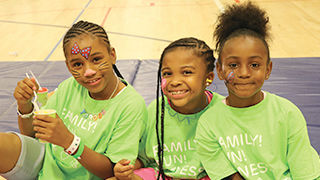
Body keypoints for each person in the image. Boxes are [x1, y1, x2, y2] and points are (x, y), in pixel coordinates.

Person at [0, 20, 147, 180]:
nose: (88, 71)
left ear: (112, 55)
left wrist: (70, 142)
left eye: (96, 59)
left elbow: (112, 172)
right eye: (77, 64)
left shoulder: (131, 105)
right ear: (68, 66)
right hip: (46, 164)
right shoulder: (69, 86)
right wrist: (25, 106)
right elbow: (31, 135)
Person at [195, 1, 320, 180]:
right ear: (220, 71)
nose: (244, 73)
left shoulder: (287, 113)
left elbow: (305, 174)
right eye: (233, 65)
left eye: (254, 65)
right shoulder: (209, 124)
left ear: (267, 70)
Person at [112, 37, 243, 180]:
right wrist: (125, 170)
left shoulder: (223, 110)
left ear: (209, 78)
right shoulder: (156, 109)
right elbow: (143, 158)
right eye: (167, 73)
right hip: (162, 175)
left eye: (187, 72)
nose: (174, 82)